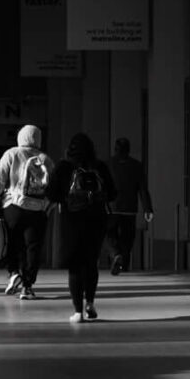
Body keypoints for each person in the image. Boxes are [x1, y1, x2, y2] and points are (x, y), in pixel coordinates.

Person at [46, 133, 116, 322]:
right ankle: (90, 303)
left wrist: (67, 199)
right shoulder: (99, 166)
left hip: (71, 220)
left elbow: (51, 194)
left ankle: (77, 311)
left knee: (75, 266)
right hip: (96, 219)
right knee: (91, 263)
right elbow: (112, 194)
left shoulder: (64, 167)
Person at [0, 124, 55, 299]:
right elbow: (52, 189)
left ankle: (14, 273)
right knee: (33, 247)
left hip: (13, 207)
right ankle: (27, 286)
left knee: (12, 243)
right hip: (37, 210)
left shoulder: (11, 154)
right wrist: (46, 207)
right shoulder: (45, 159)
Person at [107, 137, 154, 275]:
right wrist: (147, 208)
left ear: (115, 149)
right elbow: (143, 189)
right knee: (127, 238)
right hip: (129, 208)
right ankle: (124, 264)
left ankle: (116, 254)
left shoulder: (109, 164)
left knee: (110, 234)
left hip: (112, 207)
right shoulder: (137, 166)